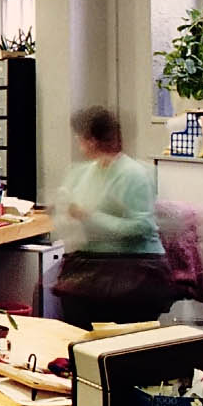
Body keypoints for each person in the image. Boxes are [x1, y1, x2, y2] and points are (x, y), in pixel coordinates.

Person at [51, 106, 176, 329]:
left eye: (80, 138)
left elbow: (142, 225)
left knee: (92, 310)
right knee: (67, 299)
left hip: (134, 265)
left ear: (90, 140)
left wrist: (90, 216)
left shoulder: (132, 174)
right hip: (97, 262)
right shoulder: (85, 172)